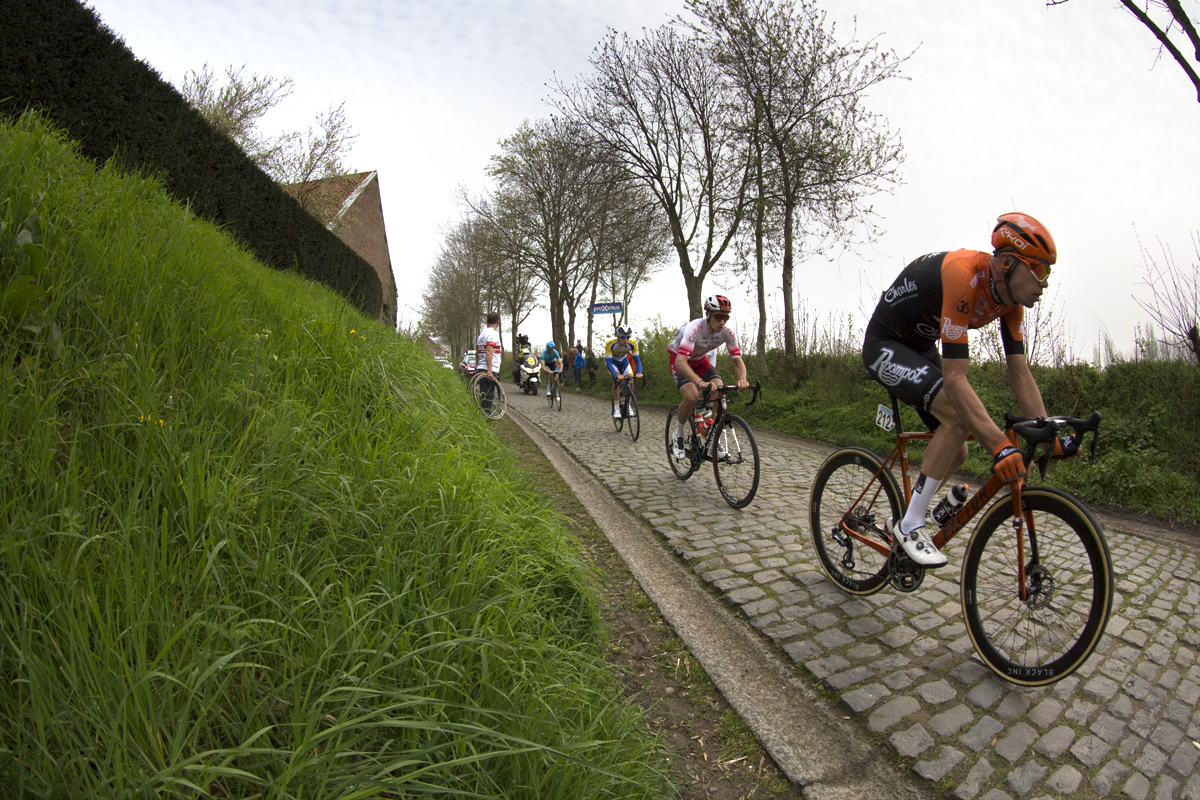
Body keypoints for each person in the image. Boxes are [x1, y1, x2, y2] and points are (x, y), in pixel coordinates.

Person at [862, 212, 1078, 568]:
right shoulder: (963, 275)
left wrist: (1048, 431)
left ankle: (904, 516)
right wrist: (1000, 446)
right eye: (1039, 271)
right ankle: (911, 524)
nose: (1045, 283)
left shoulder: (1011, 305)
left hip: (920, 346)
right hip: (885, 344)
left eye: (1049, 274)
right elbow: (956, 379)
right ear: (1007, 263)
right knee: (958, 419)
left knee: (958, 451)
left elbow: (1020, 374)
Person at [668, 296, 749, 455]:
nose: (722, 322)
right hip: (679, 359)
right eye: (719, 317)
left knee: (719, 389)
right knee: (691, 396)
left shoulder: (727, 333)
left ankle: (708, 437)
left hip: (700, 360)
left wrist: (742, 379)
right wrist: (699, 382)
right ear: (709, 314)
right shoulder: (695, 329)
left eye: (726, 317)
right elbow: (681, 362)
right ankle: (678, 434)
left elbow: (738, 361)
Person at [605, 325, 643, 418]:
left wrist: (639, 372)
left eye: (627, 337)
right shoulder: (610, 344)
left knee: (631, 381)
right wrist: (616, 375)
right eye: (623, 337)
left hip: (624, 362)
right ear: (618, 337)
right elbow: (608, 363)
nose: (625, 340)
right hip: (613, 363)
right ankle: (617, 408)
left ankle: (628, 405)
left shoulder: (632, 344)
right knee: (617, 381)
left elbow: (637, 360)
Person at [476, 312, 502, 411]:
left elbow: (477, 352)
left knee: (483, 395)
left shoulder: (481, 335)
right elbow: (489, 350)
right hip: (489, 370)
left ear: (487, 321)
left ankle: (480, 418)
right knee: (489, 396)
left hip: (480, 368)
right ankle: (486, 419)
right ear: (497, 322)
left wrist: (477, 366)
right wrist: (490, 370)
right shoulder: (493, 334)